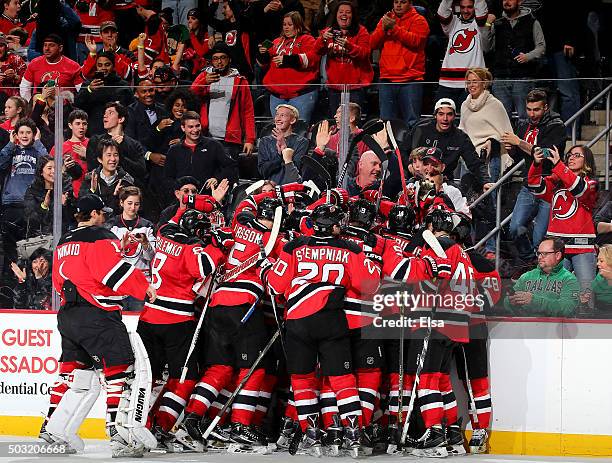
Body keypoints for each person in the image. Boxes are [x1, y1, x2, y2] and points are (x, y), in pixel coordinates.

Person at [263, 202, 380, 456]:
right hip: (332, 320)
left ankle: (312, 437)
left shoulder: (294, 247)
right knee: (343, 379)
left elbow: (275, 286)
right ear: (335, 225)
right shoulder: (351, 248)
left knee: (303, 380)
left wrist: (265, 270)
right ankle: (353, 437)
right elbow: (369, 286)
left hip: (298, 321)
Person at [49, 193, 157, 457]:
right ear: (94, 214)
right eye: (102, 213)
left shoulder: (64, 241)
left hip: (69, 315)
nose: (104, 217)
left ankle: (54, 428)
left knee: (78, 376)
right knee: (121, 370)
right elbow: (110, 272)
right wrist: (144, 288)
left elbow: (61, 279)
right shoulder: (100, 237)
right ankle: (118, 435)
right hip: (97, 315)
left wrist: (123, 249)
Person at [527, 145, 598, 306]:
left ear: (586, 161)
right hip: (557, 248)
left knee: (585, 298)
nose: (571, 158)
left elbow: (579, 189)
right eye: (570, 155)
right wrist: (537, 165)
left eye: (577, 155)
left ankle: (588, 329)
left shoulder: (592, 183)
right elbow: (534, 186)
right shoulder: (556, 181)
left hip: (582, 249)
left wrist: (559, 165)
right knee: (551, 295)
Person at [502, 88, 566, 265]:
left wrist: (519, 142)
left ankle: (541, 272)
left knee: (540, 238)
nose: (532, 113)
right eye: (529, 109)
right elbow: (522, 156)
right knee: (514, 228)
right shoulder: (524, 125)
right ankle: (531, 261)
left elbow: (546, 153)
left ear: (546, 108)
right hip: (529, 184)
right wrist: (512, 149)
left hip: (549, 186)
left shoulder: (556, 125)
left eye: (536, 109)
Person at [459, 67, 514, 258]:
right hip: (470, 158)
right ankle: (471, 245)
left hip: (492, 158)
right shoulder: (465, 105)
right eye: (469, 81)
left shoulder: (495, 104)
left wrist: (493, 140)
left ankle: (491, 248)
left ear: (484, 83)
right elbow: (462, 131)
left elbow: (506, 133)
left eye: (475, 81)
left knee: (490, 202)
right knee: (469, 203)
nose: (472, 85)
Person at [191, 41, 256, 160]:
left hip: (230, 141)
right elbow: (190, 94)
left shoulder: (240, 81)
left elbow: (248, 112)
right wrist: (204, 82)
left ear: (229, 59)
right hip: (206, 136)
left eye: (222, 58)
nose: (219, 62)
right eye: (215, 59)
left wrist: (250, 139)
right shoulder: (205, 76)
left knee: (228, 175)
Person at [370, 0, 430, 129]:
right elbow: (372, 44)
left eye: (402, 2)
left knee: (412, 123)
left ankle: (410, 149)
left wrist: (394, 28)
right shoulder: (386, 20)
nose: (398, 5)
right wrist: (383, 29)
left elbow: (416, 42)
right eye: (396, 2)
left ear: (410, 3)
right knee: (386, 123)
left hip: (411, 79)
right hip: (387, 79)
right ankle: (387, 149)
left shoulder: (419, 20)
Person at [410, 98, 492, 188]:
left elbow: (475, 163)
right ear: (435, 115)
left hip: (446, 182)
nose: (445, 119)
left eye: (449, 114)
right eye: (441, 114)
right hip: (418, 179)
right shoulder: (421, 130)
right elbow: (403, 151)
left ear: (454, 116)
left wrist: (485, 182)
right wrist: (409, 164)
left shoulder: (460, 137)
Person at [0, 117, 47, 271]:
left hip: (31, 205)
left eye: (28, 132)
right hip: (11, 205)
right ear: (16, 134)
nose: (25, 135)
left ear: (34, 134)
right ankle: (10, 287)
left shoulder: (37, 151)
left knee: (29, 251)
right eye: (21, 132)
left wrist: (39, 142)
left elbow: (47, 163)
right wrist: (10, 144)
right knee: (10, 253)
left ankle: (28, 288)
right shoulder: (11, 150)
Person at [258, 11, 319, 125]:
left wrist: (286, 60)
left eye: (290, 24)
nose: (286, 27)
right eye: (284, 24)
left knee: (299, 130)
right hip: (277, 96)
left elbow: (311, 59)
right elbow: (262, 64)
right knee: (279, 130)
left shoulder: (308, 39)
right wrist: (262, 53)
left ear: (298, 25)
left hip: (301, 95)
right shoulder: (275, 41)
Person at [488, 0, 546, 120]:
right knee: (501, 119)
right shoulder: (497, 23)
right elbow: (486, 47)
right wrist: (487, 25)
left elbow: (541, 47)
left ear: (519, 2)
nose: (506, 2)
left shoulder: (532, 21)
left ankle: (526, 139)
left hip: (523, 77)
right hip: (500, 78)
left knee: (526, 117)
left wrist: (528, 56)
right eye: (504, 0)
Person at [314, 1, 373, 115]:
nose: (344, 15)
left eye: (348, 12)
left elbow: (365, 53)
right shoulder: (329, 32)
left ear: (353, 15)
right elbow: (316, 51)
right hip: (334, 87)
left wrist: (349, 46)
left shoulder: (362, 32)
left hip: (355, 87)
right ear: (336, 15)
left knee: (353, 121)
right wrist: (322, 39)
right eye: (341, 12)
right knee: (336, 120)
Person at [105, 186, 156, 311]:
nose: (133, 207)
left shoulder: (147, 226)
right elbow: (106, 257)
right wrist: (121, 245)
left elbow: (151, 258)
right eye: (129, 203)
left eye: (136, 204)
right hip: (118, 283)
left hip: (140, 284)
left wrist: (145, 243)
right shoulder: (111, 225)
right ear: (121, 203)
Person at [164, 110, 238, 192]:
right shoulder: (174, 150)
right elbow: (168, 178)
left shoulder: (213, 145)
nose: (195, 130)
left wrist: (217, 179)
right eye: (191, 127)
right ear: (183, 128)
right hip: (182, 199)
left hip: (208, 196)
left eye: (197, 126)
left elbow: (231, 167)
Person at [504, 237, 580, 317]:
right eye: (539, 253)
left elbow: (567, 309)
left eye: (545, 254)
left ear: (557, 255)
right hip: (526, 326)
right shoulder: (527, 276)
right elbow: (506, 304)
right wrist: (510, 302)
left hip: (555, 327)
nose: (540, 257)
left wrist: (535, 301)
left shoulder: (569, 279)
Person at [436, 0, 490, 110]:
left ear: (474, 8)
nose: (466, 10)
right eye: (463, 7)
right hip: (448, 82)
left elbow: (482, 12)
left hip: (472, 83)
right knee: (443, 118)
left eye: (469, 7)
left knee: (472, 120)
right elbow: (442, 12)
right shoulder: (453, 23)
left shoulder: (480, 25)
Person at [85, 102, 148, 185]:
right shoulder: (95, 140)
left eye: (110, 113)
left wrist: (121, 149)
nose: (105, 115)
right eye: (105, 113)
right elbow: (92, 168)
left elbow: (141, 171)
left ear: (121, 119)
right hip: (102, 188)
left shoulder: (134, 144)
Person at [74, 51, 134, 136]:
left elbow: (131, 109)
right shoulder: (89, 85)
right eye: (100, 65)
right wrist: (89, 90)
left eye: (107, 65)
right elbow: (77, 104)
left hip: (117, 132)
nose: (103, 68)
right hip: (94, 132)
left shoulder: (122, 85)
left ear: (113, 66)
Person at [80, 138, 135, 215]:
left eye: (115, 155)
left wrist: (116, 197)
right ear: (100, 159)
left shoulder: (126, 181)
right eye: (108, 155)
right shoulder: (90, 179)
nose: (113, 159)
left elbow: (130, 211)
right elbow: (83, 207)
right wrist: (92, 191)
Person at [19, 34, 83, 101]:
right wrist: (31, 106)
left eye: (51, 45)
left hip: (63, 107)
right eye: (45, 45)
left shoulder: (73, 66)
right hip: (40, 107)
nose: (47, 48)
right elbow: (25, 87)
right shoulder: (34, 63)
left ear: (60, 48)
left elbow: (81, 90)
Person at [257, 104, 309, 185]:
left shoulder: (302, 142)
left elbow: (297, 169)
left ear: (292, 120)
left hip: (292, 187)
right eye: (277, 115)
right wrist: (279, 155)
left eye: (282, 115)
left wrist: (284, 149)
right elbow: (263, 171)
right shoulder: (265, 141)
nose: (278, 118)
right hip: (270, 188)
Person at [50, 109, 89, 198]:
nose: (81, 127)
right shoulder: (59, 148)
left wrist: (88, 155)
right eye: (78, 123)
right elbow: (49, 171)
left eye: (84, 124)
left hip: (88, 192)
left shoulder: (93, 144)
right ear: (70, 125)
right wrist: (63, 168)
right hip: (65, 194)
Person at [0, 34, 26, 101]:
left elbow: (27, 81)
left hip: (14, 100)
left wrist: (15, 76)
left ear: (6, 47)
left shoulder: (16, 59)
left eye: (0, 46)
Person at [591, 245, 612, 314]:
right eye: (598, 260)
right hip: (600, 313)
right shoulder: (599, 277)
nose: (597, 264)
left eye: (601, 261)